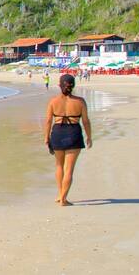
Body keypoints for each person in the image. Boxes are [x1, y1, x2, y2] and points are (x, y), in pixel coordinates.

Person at [43, 74, 92, 206]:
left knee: (59, 165)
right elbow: (86, 122)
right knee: (69, 169)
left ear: (60, 85)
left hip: (57, 132)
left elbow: (48, 121)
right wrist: (89, 137)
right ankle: (64, 198)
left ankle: (60, 195)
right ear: (73, 86)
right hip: (73, 132)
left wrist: (46, 137)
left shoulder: (53, 101)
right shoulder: (80, 102)